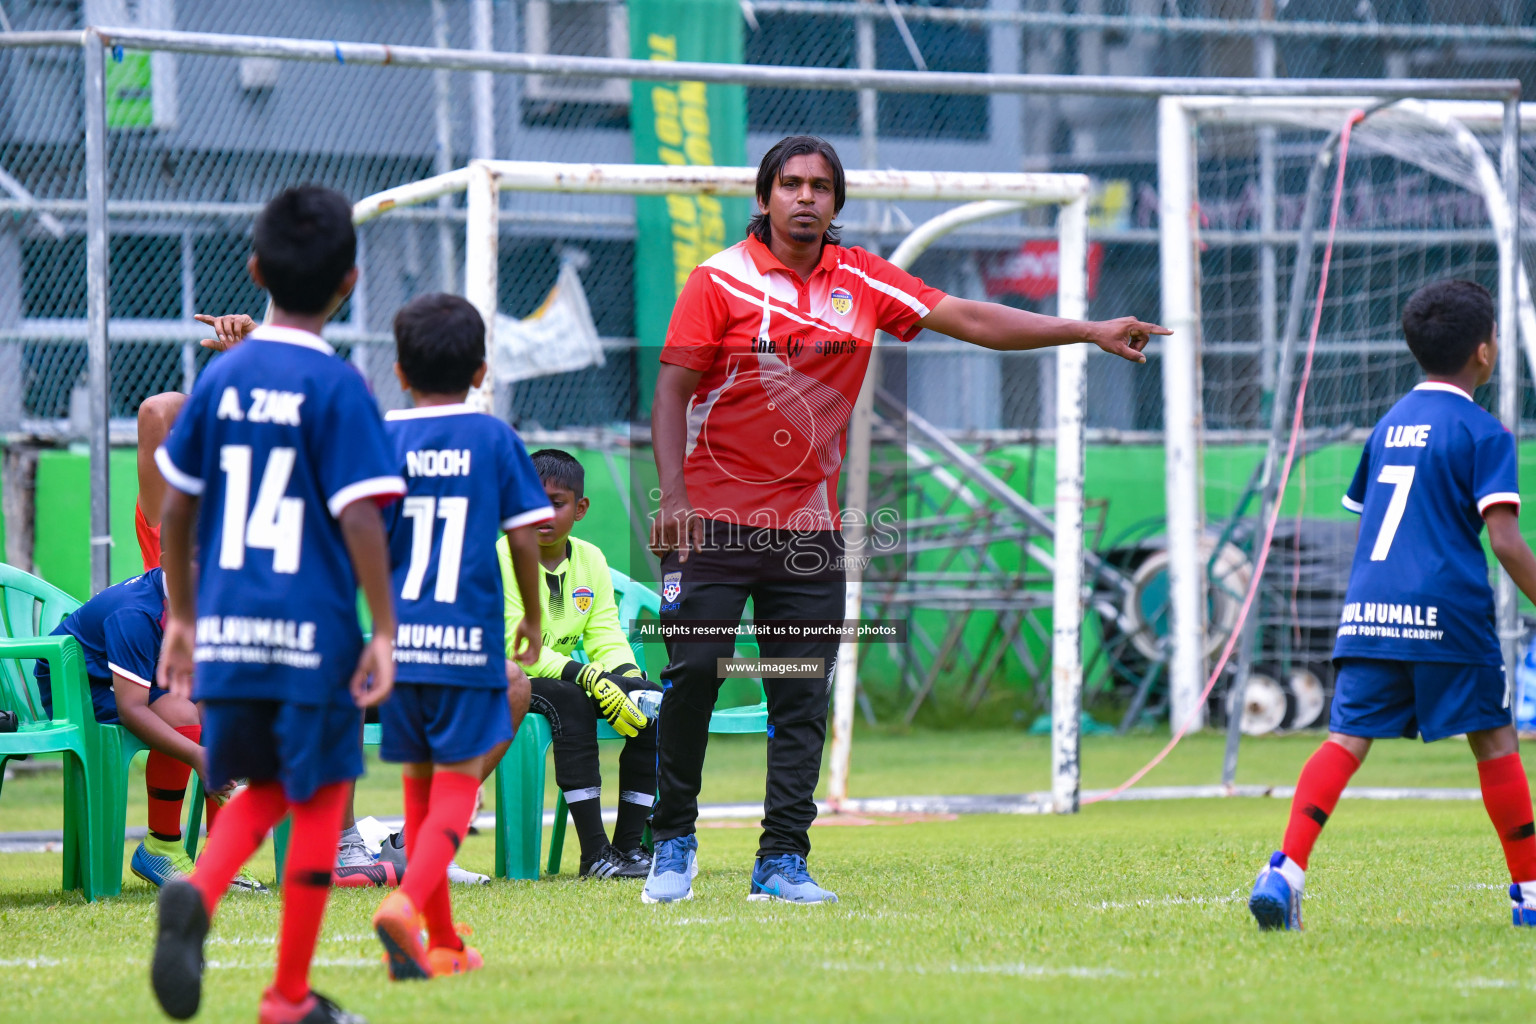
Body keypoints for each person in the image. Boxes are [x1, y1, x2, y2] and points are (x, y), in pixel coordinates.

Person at [646, 134, 1167, 905]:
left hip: (810, 532)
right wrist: (675, 499)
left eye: (820, 186)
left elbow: (971, 319)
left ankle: (782, 860)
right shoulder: (717, 281)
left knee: (800, 690)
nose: (804, 198)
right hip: (713, 524)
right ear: (764, 198)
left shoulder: (862, 279)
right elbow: (670, 393)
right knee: (694, 676)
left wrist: (1086, 331)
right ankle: (672, 843)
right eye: (789, 184)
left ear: (836, 203)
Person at [150, 185, 405, 1024]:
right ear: (351, 283)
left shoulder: (221, 377)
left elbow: (176, 506)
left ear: (254, 269)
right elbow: (362, 515)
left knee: (262, 782)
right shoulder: (338, 386)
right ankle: (288, 996)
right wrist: (383, 630)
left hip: (225, 622)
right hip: (314, 629)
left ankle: (201, 884)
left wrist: (182, 618)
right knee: (320, 793)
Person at [1248, 279, 1536, 931]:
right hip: (1449, 611)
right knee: (1494, 742)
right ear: (1486, 352)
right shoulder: (1484, 432)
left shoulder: (1388, 425)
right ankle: (1530, 895)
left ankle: (1284, 870)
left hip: (1369, 609)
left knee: (1345, 739)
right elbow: (1506, 541)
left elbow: (1364, 515)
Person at [369, 292, 551, 980]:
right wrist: (530, 614)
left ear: (400, 372)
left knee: (419, 790)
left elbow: (364, 535)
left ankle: (439, 944)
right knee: (456, 786)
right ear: (482, 372)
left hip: (400, 644)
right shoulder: (494, 438)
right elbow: (525, 535)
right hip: (465, 643)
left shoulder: (382, 439)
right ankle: (406, 904)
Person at [30, 566, 264, 894]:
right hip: (77, 688)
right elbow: (132, 709)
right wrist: (199, 755)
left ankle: (223, 852)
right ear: (171, 557)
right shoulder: (136, 613)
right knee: (180, 713)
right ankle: (161, 847)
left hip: (135, 680)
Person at [496, 448, 657, 879]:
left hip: (565, 675)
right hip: (505, 680)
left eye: (557, 503)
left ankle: (628, 848)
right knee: (571, 700)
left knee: (652, 703)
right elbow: (518, 646)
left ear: (580, 508)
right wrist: (587, 675)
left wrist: (628, 679)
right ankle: (594, 853)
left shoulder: (591, 559)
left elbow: (605, 634)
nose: (542, 514)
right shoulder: (504, 555)